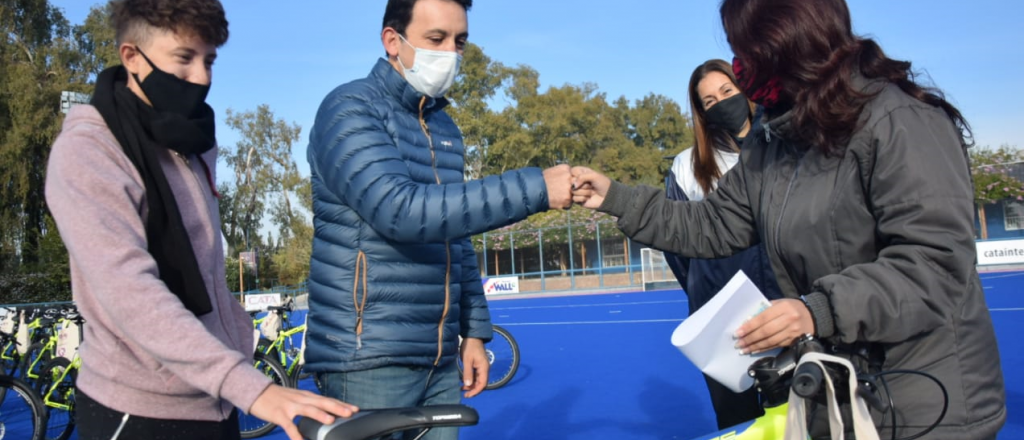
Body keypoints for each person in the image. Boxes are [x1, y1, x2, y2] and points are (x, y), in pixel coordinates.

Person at [571, 0, 1006, 438]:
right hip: (835, 393)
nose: (741, 68)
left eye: (745, 51)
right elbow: (714, 223)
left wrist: (817, 310)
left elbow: (935, 263)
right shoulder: (774, 141)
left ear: (785, 41)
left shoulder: (900, 120)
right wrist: (617, 198)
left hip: (923, 402)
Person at [44, 1, 357, 439]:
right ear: (132, 57)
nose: (203, 77)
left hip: (214, 397)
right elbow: (128, 292)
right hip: (140, 408)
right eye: (184, 58)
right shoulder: (89, 150)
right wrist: (250, 387)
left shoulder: (191, 140)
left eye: (209, 60)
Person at [303, 0, 573, 439]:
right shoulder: (349, 109)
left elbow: (455, 232)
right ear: (393, 40)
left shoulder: (444, 127)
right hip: (368, 361)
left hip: (440, 360)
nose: (450, 52)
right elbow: (400, 212)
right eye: (436, 39)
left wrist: (473, 331)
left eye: (459, 41)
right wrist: (536, 188)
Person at [663, 59, 781, 430]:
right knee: (738, 421)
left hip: (786, 308)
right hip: (722, 322)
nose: (721, 103)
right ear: (701, 113)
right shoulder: (686, 166)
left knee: (797, 414)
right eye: (709, 101)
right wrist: (709, 294)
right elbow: (679, 249)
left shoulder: (786, 145)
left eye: (727, 91)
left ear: (745, 89)